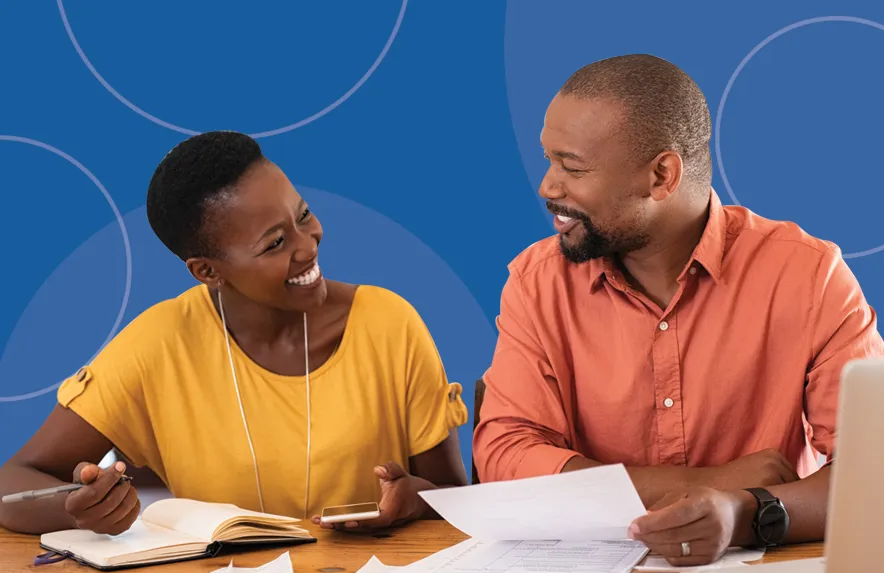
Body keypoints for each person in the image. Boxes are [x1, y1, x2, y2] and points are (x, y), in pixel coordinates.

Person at [472, 54, 884, 567]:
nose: (548, 187)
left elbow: (873, 472)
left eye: (572, 168)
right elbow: (505, 456)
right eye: (549, 160)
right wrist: (702, 484)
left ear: (662, 175)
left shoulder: (809, 276)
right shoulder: (537, 283)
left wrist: (743, 510)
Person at [0, 131, 468, 536]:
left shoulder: (390, 324)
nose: (309, 245)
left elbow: (453, 500)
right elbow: (14, 481)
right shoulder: (158, 346)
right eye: (275, 244)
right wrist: (77, 509)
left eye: (303, 216)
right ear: (207, 271)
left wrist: (411, 500)